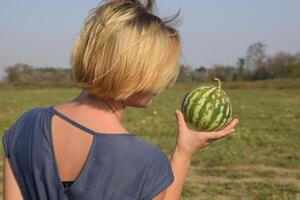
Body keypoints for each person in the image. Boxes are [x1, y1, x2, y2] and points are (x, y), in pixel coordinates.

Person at [2, 0, 239, 199]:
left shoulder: (26, 126)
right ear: (135, 71)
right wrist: (184, 154)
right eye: (161, 70)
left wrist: (183, 151)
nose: (165, 81)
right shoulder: (145, 161)